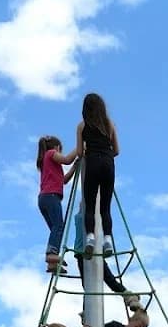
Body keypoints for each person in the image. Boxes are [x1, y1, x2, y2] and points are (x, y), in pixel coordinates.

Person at [75, 93, 119, 259]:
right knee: (105, 207)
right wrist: (105, 153)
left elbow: (79, 153)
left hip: (92, 163)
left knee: (90, 204)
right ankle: (107, 239)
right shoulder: (110, 124)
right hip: (108, 164)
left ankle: (90, 239)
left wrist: (88, 150)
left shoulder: (82, 126)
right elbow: (117, 150)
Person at [36, 135, 77, 272]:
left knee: (56, 229)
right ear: (57, 147)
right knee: (59, 226)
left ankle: (52, 263)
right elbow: (67, 160)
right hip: (51, 196)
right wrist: (79, 147)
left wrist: (74, 169)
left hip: (44, 198)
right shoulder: (51, 153)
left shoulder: (48, 163)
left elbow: (64, 180)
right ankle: (51, 255)